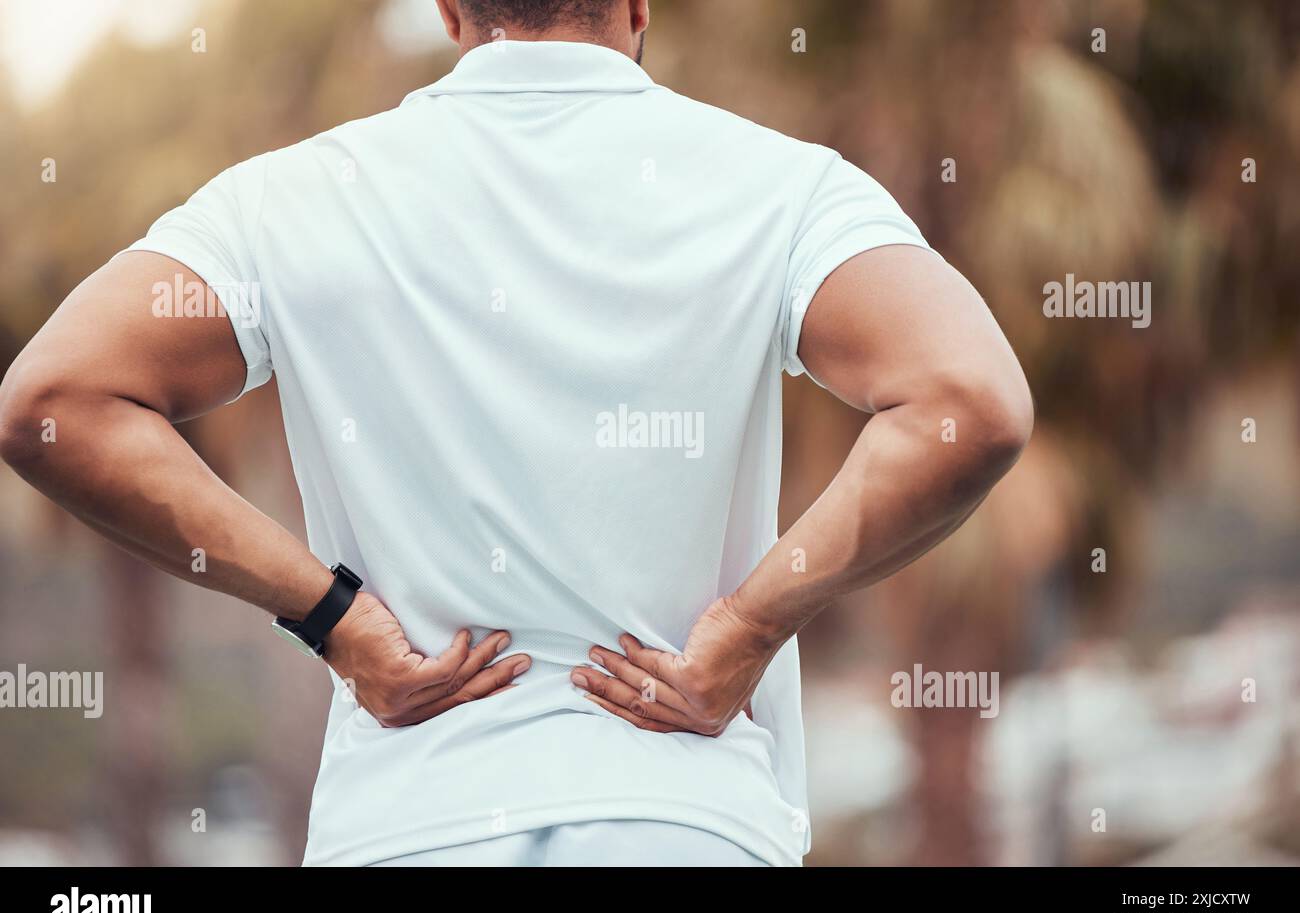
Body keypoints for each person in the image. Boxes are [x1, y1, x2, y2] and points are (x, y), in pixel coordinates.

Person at [0, 0, 1032, 866]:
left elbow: (53, 404)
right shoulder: (782, 187)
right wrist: (750, 626)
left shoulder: (290, 199)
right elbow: (970, 402)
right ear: (635, 4)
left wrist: (332, 617)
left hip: (407, 831)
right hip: (683, 827)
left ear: (451, 9)